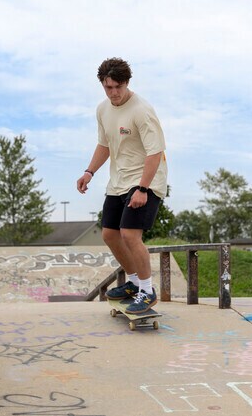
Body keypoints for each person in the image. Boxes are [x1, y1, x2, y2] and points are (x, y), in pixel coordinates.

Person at [76, 57, 168, 314]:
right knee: (109, 234)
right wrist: (89, 171)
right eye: (109, 88)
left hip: (145, 179)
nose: (114, 93)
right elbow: (104, 145)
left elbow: (155, 152)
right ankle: (134, 282)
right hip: (118, 181)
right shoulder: (102, 110)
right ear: (102, 85)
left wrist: (143, 189)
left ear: (127, 83)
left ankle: (147, 290)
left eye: (119, 87)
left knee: (130, 234)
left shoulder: (142, 110)